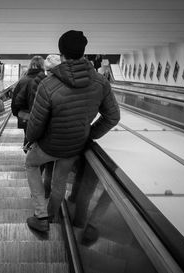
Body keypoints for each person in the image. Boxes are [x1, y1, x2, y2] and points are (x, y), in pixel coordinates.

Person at [24, 30, 121, 232]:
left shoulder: (48, 84)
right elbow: (113, 117)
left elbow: (36, 122)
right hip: (74, 146)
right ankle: (50, 216)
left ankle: (40, 215)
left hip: (49, 145)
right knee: (60, 183)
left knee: (31, 163)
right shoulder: (100, 82)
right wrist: (89, 133)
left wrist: (29, 140)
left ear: (61, 53)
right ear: (83, 52)